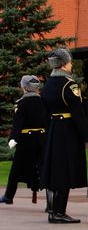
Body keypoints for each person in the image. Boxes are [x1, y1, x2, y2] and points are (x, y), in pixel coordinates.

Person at [40, 48, 88, 223]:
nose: (71, 64)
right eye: (70, 62)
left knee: (54, 169)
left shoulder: (48, 84)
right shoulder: (69, 85)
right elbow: (78, 114)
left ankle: (51, 209)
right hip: (67, 132)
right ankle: (58, 211)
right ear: (64, 65)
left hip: (53, 130)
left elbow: (44, 112)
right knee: (65, 170)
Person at [0, 76, 47, 205]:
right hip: (42, 139)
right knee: (45, 169)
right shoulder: (44, 102)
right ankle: (51, 202)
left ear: (24, 87)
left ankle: (9, 196)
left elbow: (18, 123)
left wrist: (13, 138)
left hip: (26, 140)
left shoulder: (21, 103)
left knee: (16, 169)